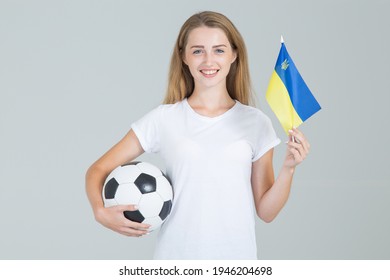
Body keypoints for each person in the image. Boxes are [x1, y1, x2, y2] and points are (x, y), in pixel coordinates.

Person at [85, 11, 310, 260]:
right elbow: (98, 169)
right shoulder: (163, 119)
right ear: (184, 57)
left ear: (234, 54)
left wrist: (289, 167)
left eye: (219, 50)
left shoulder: (256, 123)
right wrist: (99, 211)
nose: (208, 60)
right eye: (198, 51)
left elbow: (267, 212)